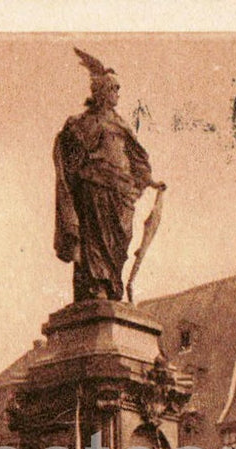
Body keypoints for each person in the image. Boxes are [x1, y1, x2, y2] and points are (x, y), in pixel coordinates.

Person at [53, 49, 164, 302]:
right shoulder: (81, 123)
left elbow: (137, 157)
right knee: (96, 242)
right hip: (94, 190)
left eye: (118, 88)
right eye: (113, 88)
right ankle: (97, 288)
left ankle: (111, 283)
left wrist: (149, 180)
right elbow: (69, 159)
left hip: (121, 193)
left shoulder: (122, 124)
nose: (117, 92)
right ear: (100, 91)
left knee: (119, 242)